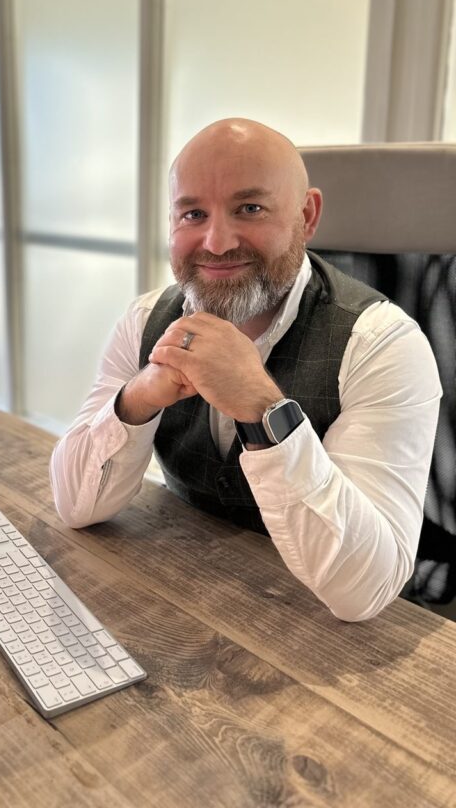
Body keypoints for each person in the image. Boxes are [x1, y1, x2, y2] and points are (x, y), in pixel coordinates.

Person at [50, 119, 442, 621]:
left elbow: (363, 591)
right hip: (185, 596)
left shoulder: (384, 345)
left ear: (307, 214)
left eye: (249, 208)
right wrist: (140, 396)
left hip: (320, 631)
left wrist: (263, 411)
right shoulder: (146, 321)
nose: (215, 242)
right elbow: (74, 506)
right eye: (193, 213)